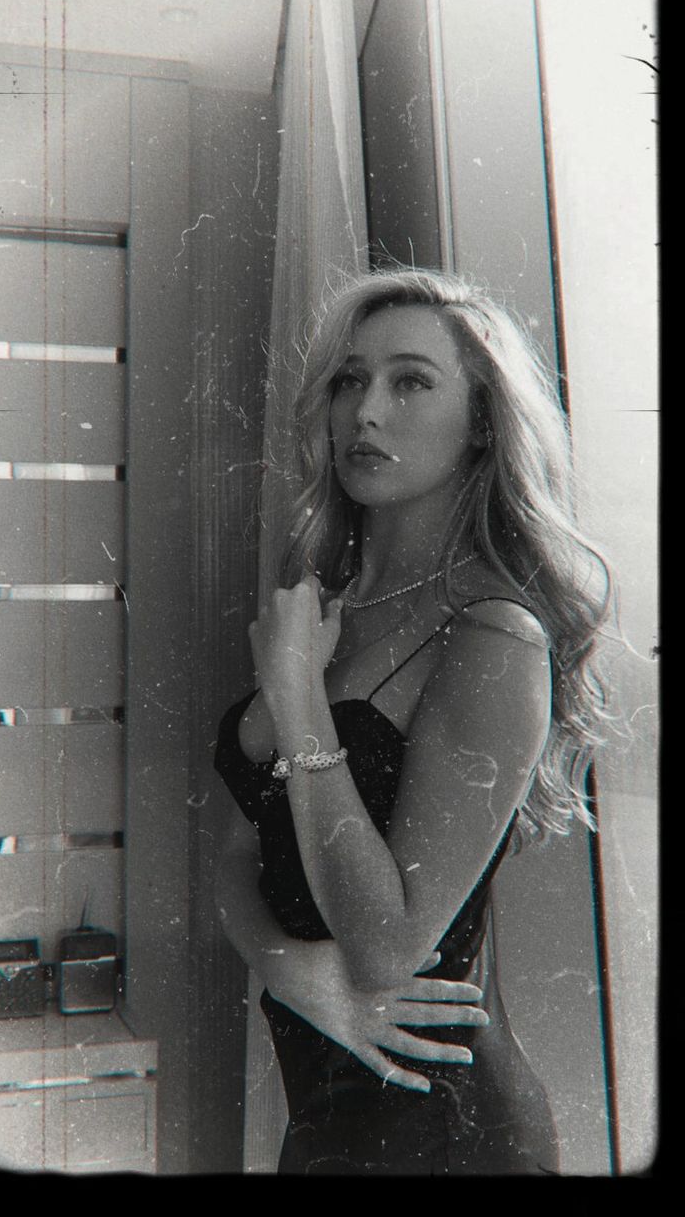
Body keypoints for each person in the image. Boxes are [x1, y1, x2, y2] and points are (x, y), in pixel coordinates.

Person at [213, 267, 612, 1175]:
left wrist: (299, 696)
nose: (365, 412)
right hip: (325, 1127)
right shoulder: (326, 607)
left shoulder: (490, 632)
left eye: (411, 380)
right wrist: (285, 968)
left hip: (445, 1134)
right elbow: (236, 850)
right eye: (350, 379)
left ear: (481, 421)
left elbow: (388, 947)